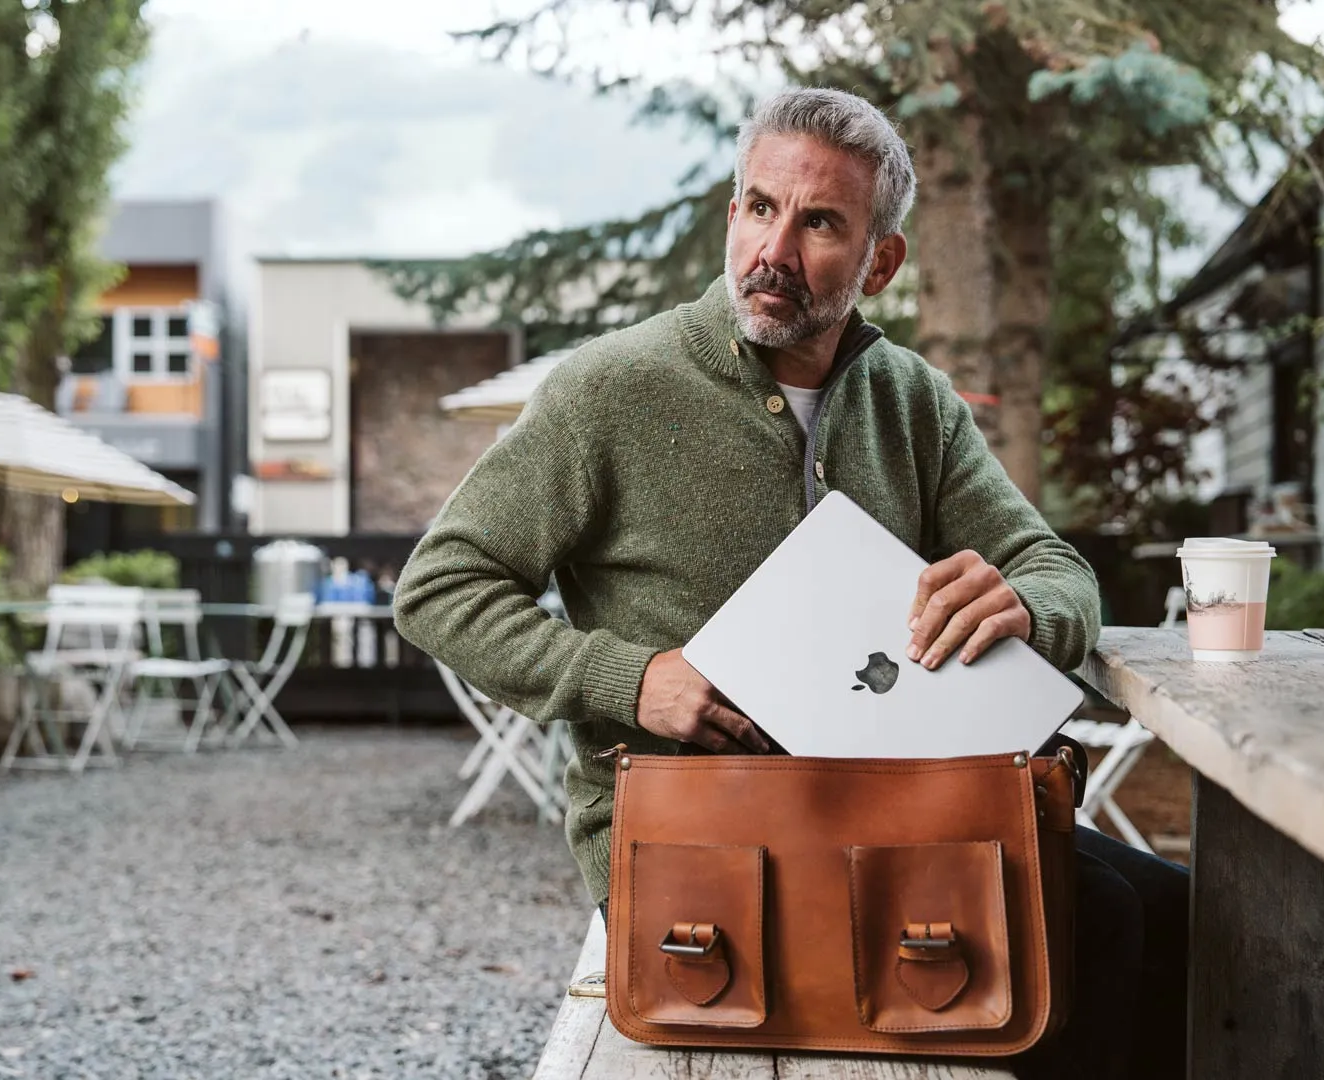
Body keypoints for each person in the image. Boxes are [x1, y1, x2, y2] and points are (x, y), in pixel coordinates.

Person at [393, 87, 1187, 1080]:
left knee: (1185, 910)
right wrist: (633, 679)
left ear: (880, 262)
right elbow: (438, 586)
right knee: (1101, 924)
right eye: (761, 207)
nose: (774, 249)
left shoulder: (911, 402)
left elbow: (1058, 570)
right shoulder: (611, 390)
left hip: (896, 801)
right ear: (732, 216)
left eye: (820, 223)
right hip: (697, 832)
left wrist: (1027, 604)